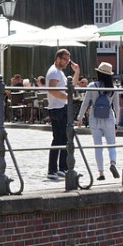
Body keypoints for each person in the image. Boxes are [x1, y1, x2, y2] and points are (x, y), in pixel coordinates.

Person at [76, 62, 120, 181]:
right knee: (112, 144)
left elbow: (85, 102)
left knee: (98, 146)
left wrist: (80, 118)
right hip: (109, 117)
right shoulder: (113, 89)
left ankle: (101, 173)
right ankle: (113, 163)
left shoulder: (92, 86)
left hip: (95, 117)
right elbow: (117, 108)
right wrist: (117, 122)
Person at [46, 48, 79, 179]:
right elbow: (52, 90)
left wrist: (77, 71)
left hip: (60, 107)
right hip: (58, 108)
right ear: (58, 59)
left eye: (68, 60)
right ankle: (54, 169)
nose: (66, 62)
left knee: (63, 138)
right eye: (64, 59)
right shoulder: (54, 71)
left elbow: (72, 87)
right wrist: (67, 98)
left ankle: (60, 168)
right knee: (60, 139)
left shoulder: (60, 72)